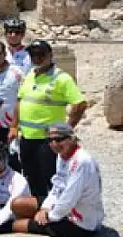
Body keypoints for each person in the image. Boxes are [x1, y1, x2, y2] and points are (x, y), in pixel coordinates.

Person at [12, 40, 88, 199]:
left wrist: (66, 129)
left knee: (52, 179)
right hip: (27, 138)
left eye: (41, 54)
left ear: (50, 55)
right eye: (33, 55)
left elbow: (80, 104)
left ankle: (57, 216)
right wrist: (13, 126)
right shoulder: (30, 75)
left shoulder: (62, 78)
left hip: (48, 141)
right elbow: (20, 101)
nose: (37, 58)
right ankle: (39, 213)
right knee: (32, 177)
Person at [11, 123, 104, 237]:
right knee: (17, 204)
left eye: (59, 139)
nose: (54, 144)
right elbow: (57, 187)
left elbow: (69, 198)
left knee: (17, 225)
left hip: (80, 221)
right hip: (64, 207)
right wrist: (45, 207)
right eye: (50, 140)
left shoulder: (82, 162)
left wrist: (48, 216)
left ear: (72, 139)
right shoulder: (62, 154)